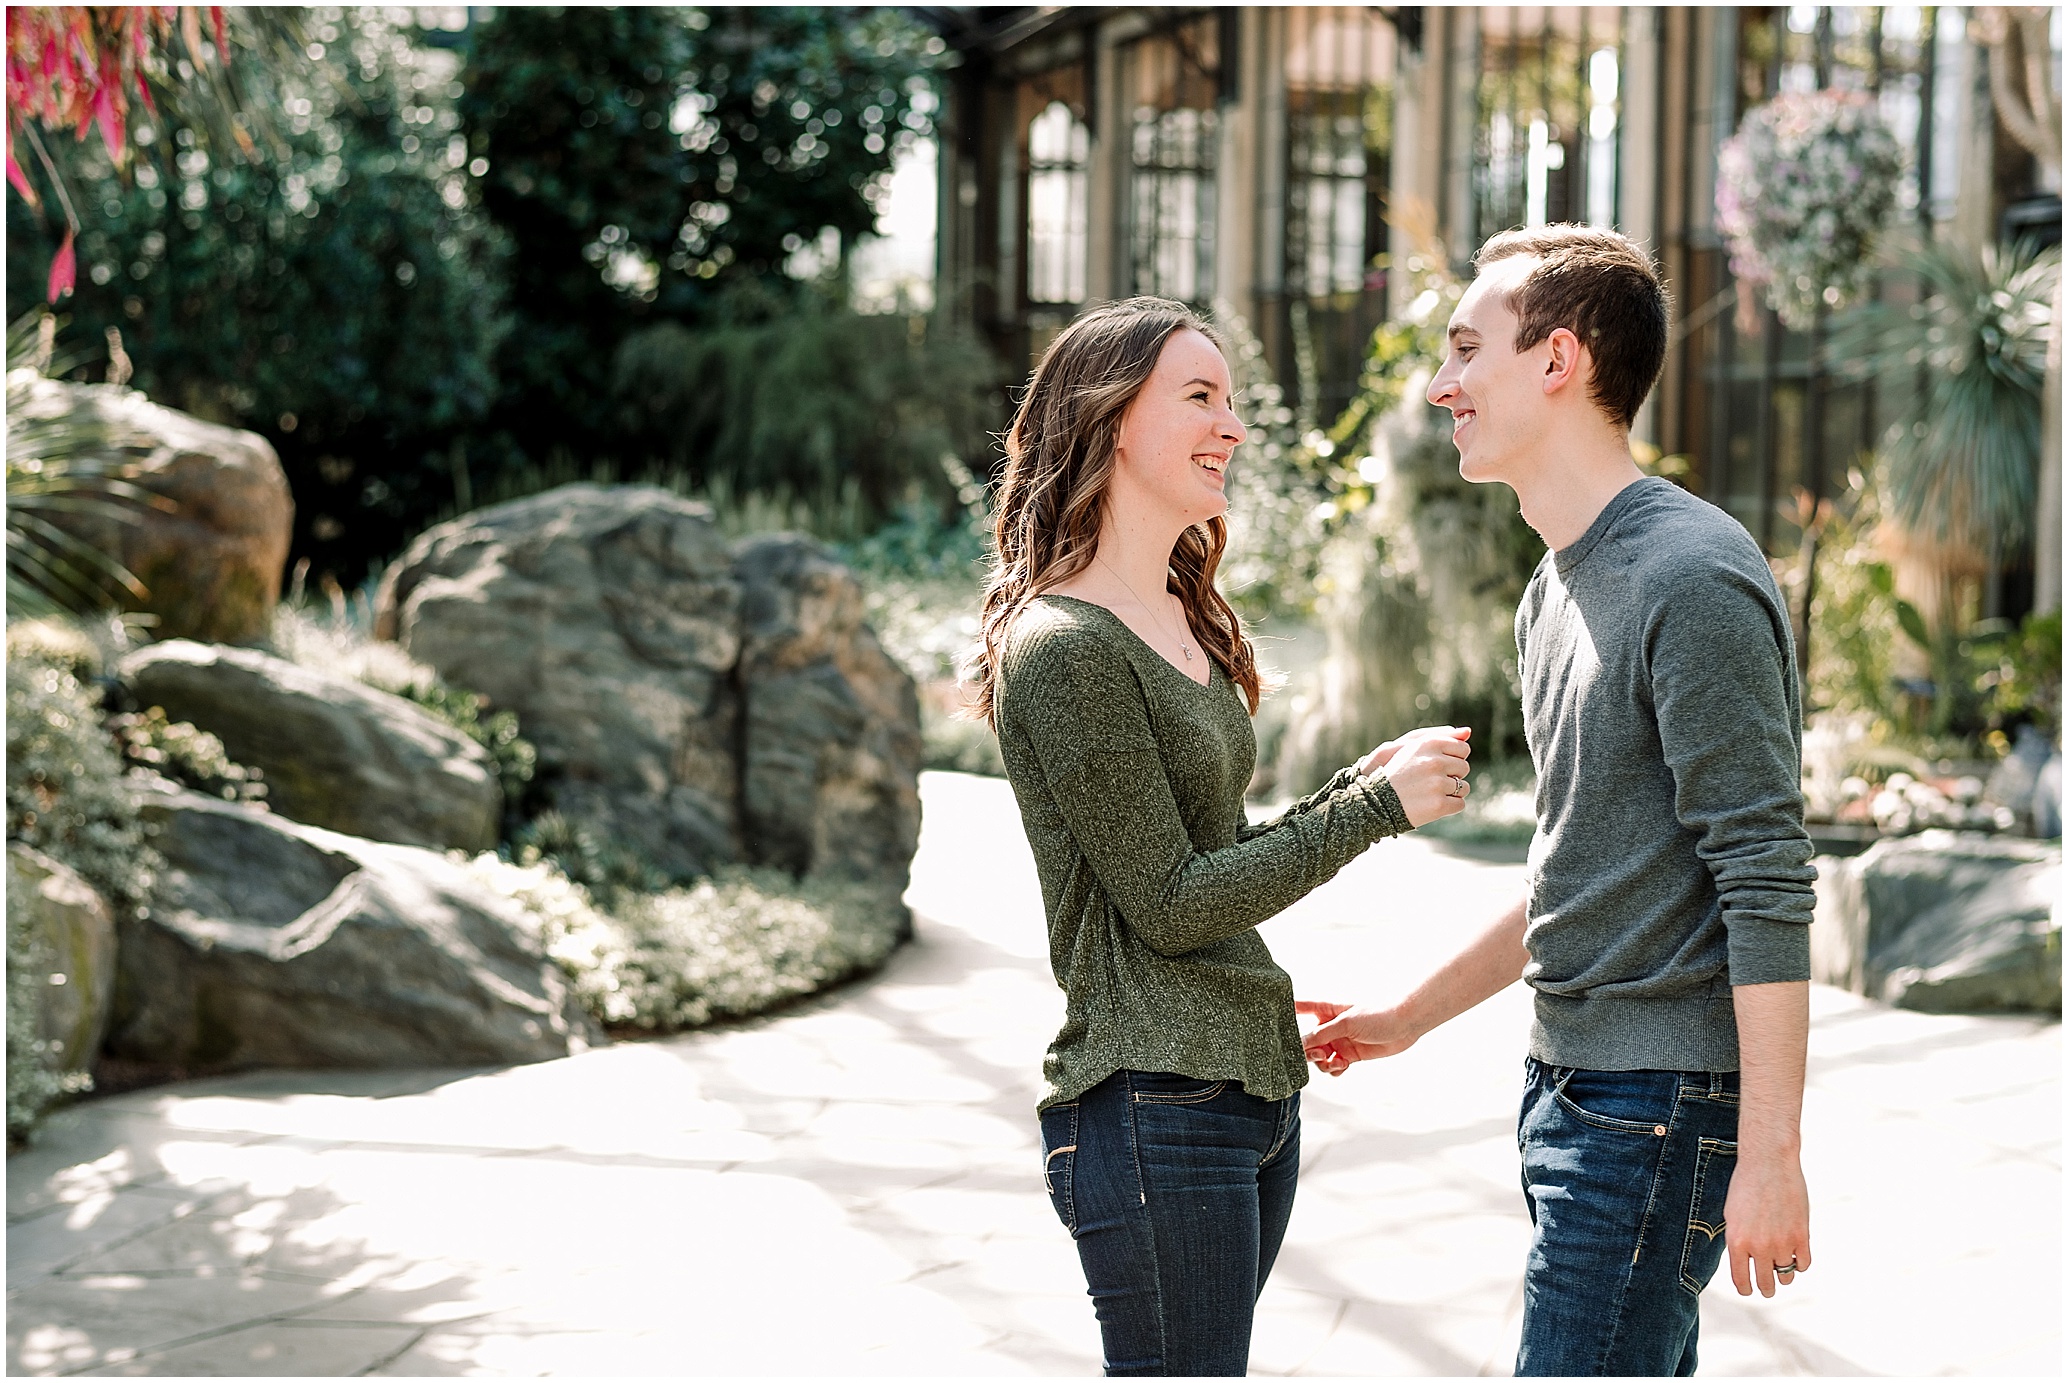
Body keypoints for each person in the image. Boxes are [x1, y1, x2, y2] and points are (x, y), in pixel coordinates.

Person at [1299, 225, 1818, 1377]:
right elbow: (1575, 866)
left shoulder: (1691, 577)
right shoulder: (1558, 584)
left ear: (1556, 361)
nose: (1441, 386)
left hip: (1653, 1109)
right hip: (1570, 1093)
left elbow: (1767, 876)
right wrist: (1409, 1016)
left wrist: (1770, 1152)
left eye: (1464, 350)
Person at [965, 296, 1474, 1377]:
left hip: (1248, 1089)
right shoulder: (1061, 647)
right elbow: (1173, 902)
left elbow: (1216, 853)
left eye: (1232, 401)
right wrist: (1371, 813)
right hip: (1151, 1100)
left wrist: (1356, 781)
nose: (1231, 427)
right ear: (1109, 420)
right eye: (1199, 397)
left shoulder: (1180, 619)